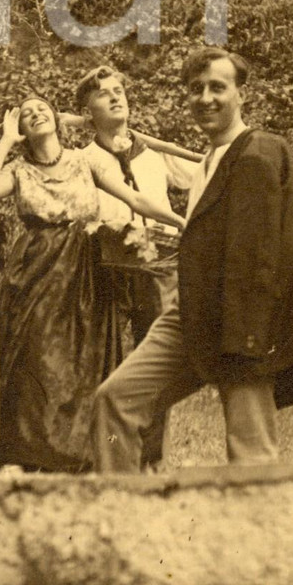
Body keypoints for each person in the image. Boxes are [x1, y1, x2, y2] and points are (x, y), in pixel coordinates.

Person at [90, 47, 293, 472]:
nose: (205, 98)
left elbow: (259, 262)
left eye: (217, 88)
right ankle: (123, 508)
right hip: (190, 315)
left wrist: (248, 346)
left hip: (241, 326)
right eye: (195, 89)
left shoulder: (256, 155)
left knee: (250, 454)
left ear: (241, 94)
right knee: (115, 399)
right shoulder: (207, 162)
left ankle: (258, 535)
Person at [0, 92, 184, 472]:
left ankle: (78, 450)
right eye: (26, 115)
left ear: (55, 118)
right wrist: (5, 141)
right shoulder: (16, 168)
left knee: (84, 359)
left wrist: (178, 221)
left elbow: (134, 199)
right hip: (36, 272)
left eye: (41, 108)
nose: (35, 114)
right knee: (37, 361)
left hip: (85, 273)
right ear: (22, 129)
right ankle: (30, 452)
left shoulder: (83, 161)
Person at [75, 63, 193, 467]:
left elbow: (203, 178)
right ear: (87, 108)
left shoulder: (155, 152)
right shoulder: (83, 159)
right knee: (105, 358)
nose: (115, 96)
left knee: (153, 359)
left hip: (158, 265)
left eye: (119, 90)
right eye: (104, 92)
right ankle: (102, 450)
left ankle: (151, 454)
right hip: (105, 265)